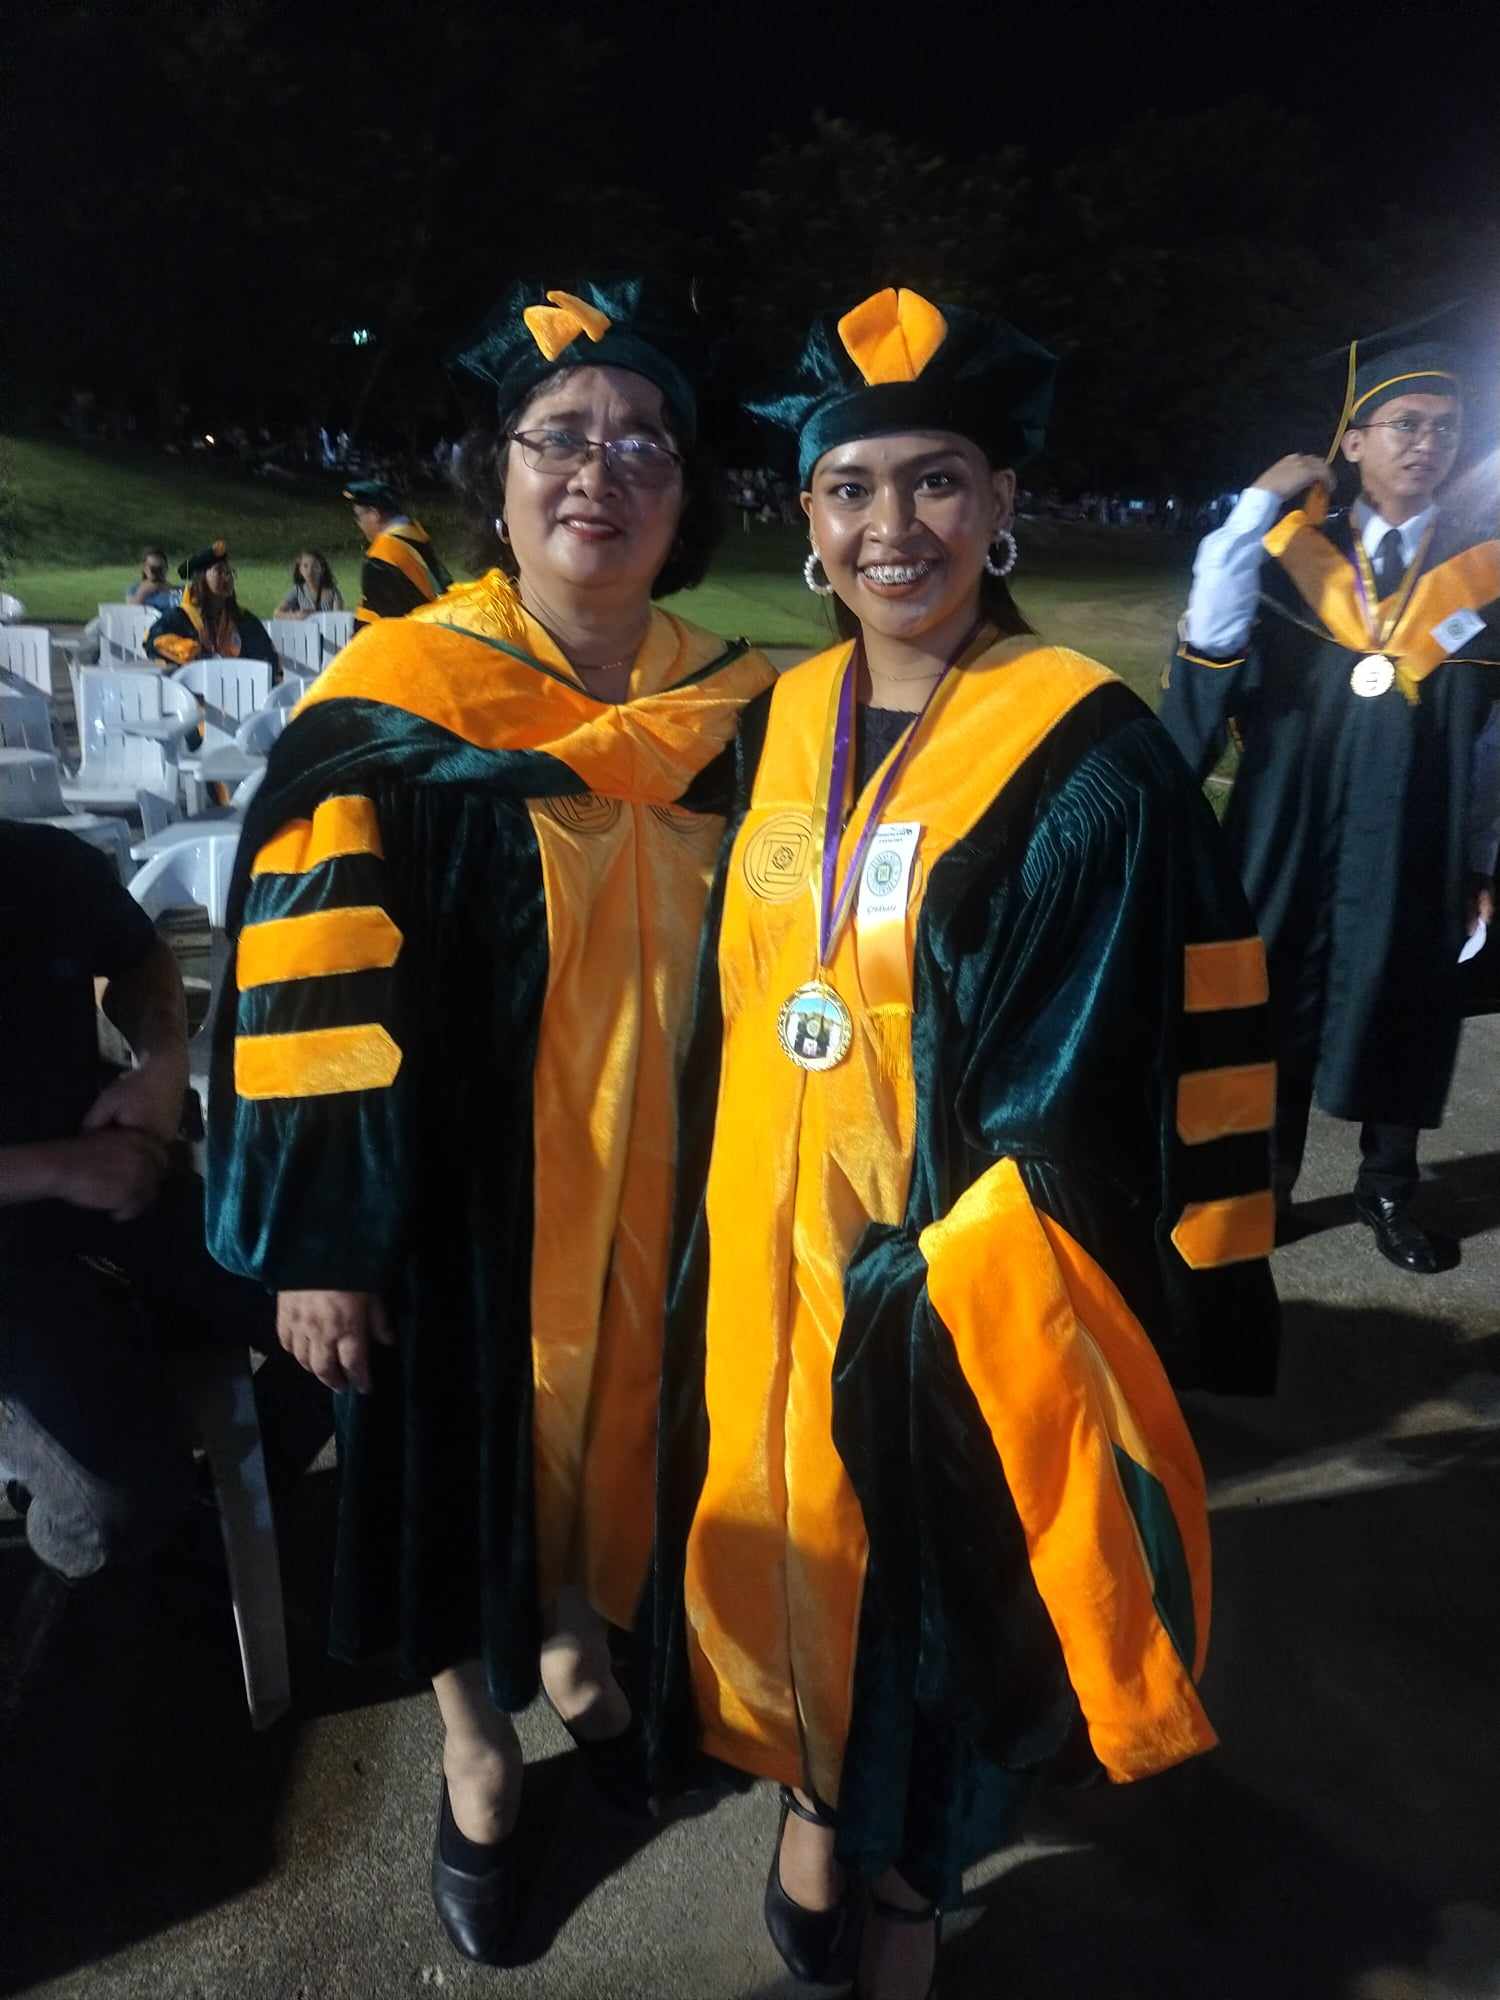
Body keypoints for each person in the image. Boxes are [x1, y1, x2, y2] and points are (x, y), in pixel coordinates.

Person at [644, 288, 1280, 2000]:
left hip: (948, 1287)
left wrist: (934, 1272)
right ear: (807, 521)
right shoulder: (779, 720)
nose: (893, 526)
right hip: (763, 1265)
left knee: (933, 1597)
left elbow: (1128, 1062)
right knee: (780, 1551)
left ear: (1003, 503)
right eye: (851, 488)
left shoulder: (1087, 751)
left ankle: (912, 1875)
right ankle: (810, 1795)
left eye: (936, 481)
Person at [207, 280, 776, 1965]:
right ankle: (473, 1747)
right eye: (560, 438)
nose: (602, 472)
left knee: (624, 1444)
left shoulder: (741, 710)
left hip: (672, 1187)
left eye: (645, 445)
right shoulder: (397, 698)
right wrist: (319, 1243)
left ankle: (585, 1654)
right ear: (498, 473)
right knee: (456, 1460)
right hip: (454, 1199)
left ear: (686, 496)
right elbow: (300, 981)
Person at [1159, 319, 1500, 1274]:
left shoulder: (1484, 578)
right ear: (1352, 442)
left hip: (1415, 838)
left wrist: (1481, 860)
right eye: (1404, 424)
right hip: (1288, 826)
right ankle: (1266, 1184)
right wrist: (1252, 508)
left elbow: (1492, 745)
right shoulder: (1284, 559)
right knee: (1272, 1001)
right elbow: (1210, 649)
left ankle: (1388, 1189)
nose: (1427, 443)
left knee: (1408, 998)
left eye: (1444, 427)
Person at [0, 824, 280, 1666]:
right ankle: (108, 1570)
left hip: (119, 1180)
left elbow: (142, 956)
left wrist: (159, 1064)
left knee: (348, 1312)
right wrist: (59, 1168)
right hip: (30, 1235)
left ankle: (209, 1499)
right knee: (110, 1510)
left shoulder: (39, 862)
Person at [145, 541, 278, 669]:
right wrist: (187, 650)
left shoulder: (243, 619)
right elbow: (153, 642)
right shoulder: (181, 618)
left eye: (229, 572)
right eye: (219, 571)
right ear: (201, 578)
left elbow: (267, 658)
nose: (227, 577)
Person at [344, 478, 451, 627]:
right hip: (439, 624)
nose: (358, 523)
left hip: (406, 636)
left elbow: (383, 620)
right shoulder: (415, 535)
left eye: (358, 516)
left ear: (374, 514)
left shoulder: (381, 556)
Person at [275, 549, 345, 618]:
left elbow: (337, 619)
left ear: (322, 569)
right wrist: (296, 615)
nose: (310, 571)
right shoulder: (298, 590)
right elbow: (277, 613)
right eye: (305, 566)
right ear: (300, 569)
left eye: (315, 566)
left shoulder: (333, 592)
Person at [126, 547, 180, 611]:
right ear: (145, 569)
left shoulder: (175, 590)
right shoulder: (135, 589)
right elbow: (130, 610)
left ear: (166, 568)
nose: (157, 572)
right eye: (153, 569)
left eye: (160, 568)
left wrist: (171, 589)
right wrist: (142, 593)